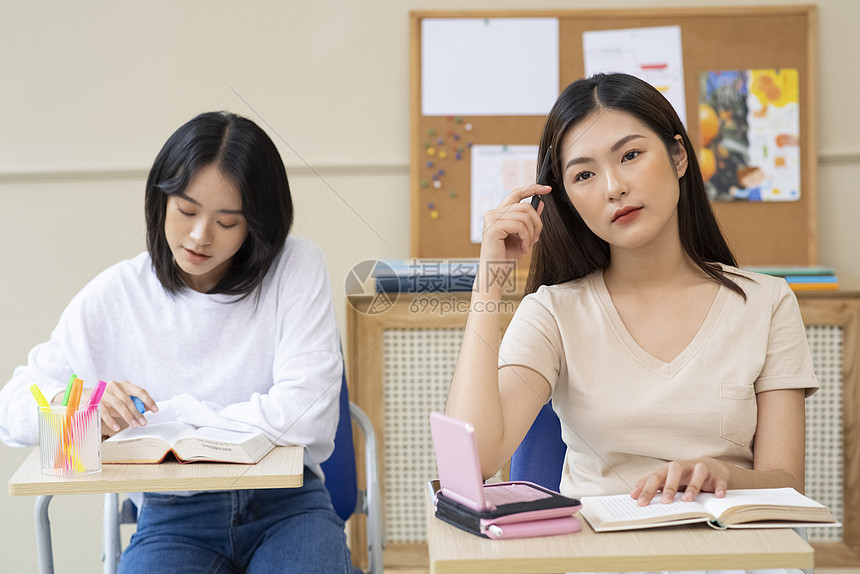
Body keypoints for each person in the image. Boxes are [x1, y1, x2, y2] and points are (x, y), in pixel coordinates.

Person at [447, 73, 818, 513]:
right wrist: (489, 279)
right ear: (565, 197)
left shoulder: (767, 303)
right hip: (602, 552)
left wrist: (728, 475)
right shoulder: (553, 312)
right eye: (584, 173)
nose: (613, 187)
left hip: (729, 550)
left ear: (678, 156)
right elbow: (469, 466)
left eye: (631, 155)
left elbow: (786, 485)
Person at [0, 111, 352, 573]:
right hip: (173, 515)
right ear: (160, 200)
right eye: (186, 210)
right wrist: (80, 405)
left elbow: (307, 418)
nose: (199, 237)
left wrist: (170, 420)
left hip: (286, 505)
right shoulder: (116, 295)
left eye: (228, 222)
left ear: (257, 226)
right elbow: (11, 415)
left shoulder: (294, 268)